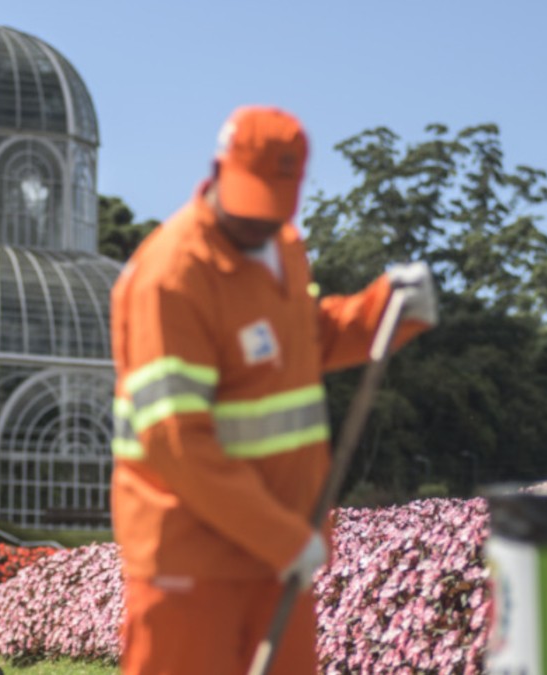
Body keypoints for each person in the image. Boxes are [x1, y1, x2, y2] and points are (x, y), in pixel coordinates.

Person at [110, 105, 437, 675]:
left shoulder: (282, 246)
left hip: (272, 559)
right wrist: (283, 537)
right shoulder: (171, 276)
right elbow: (175, 441)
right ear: (216, 172)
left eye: (274, 204)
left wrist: (387, 310)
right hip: (191, 562)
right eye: (250, 202)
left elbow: (303, 339)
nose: (259, 222)